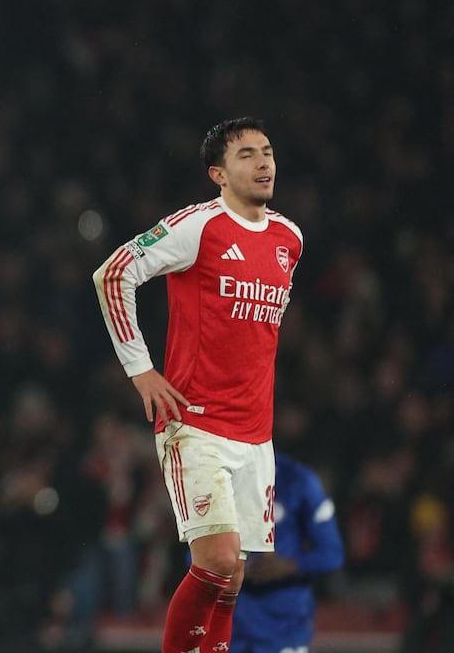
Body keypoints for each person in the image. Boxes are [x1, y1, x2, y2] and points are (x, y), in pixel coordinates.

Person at [92, 117, 303, 653]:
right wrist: (141, 369)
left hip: (257, 434)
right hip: (196, 424)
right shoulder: (197, 226)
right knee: (217, 560)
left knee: (233, 578)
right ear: (217, 173)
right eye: (247, 155)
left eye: (268, 151)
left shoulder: (289, 238)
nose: (263, 163)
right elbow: (113, 274)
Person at [230, 452, 344, 653]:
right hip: (232, 622)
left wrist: (289, 566)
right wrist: (234, 569)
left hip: (284, 622)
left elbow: (332, 554)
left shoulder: (299, 481)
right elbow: (194, 556)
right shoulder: (221, 479)